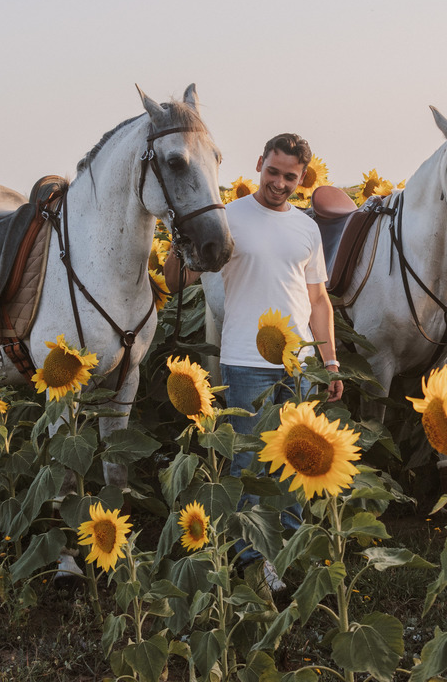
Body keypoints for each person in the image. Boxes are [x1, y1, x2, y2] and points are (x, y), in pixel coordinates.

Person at [165, 132, 344, 595]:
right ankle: (251, 559)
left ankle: (281, 553)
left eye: (290, 177)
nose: (279, 183)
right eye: (273, 172)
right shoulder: (228, 218)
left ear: (302, 179)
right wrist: (177, 239)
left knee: (296, 462)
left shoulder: (306, 228)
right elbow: (179, 277)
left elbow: (318, 299)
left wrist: (330, 360)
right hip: (245, 360)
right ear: (260, 163)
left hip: (299, 366)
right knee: (247, 463)